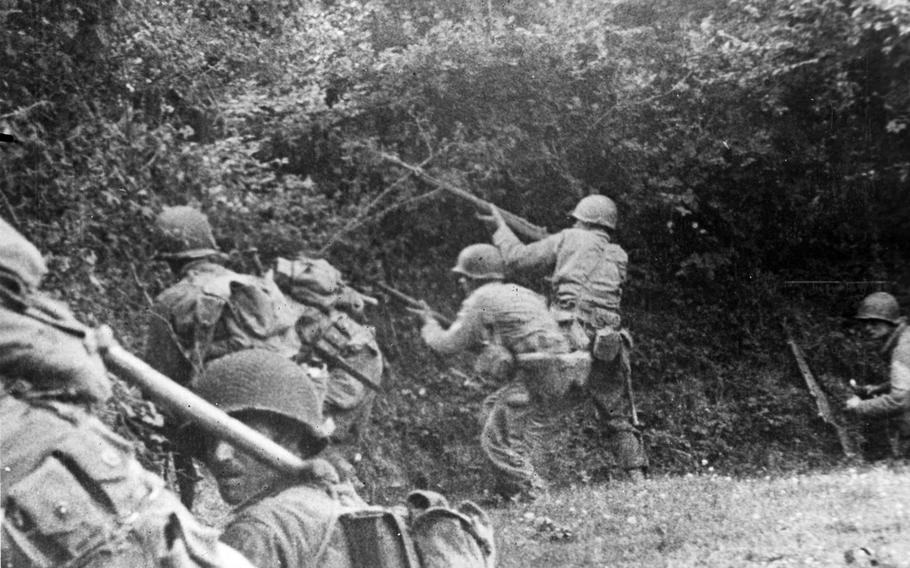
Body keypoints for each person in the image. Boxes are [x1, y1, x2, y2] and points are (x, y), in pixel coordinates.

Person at [0, 217, 253, 568]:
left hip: (197, 406)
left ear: (172, 260)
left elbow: (160, 373)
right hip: (262, 401)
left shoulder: (171, 300)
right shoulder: (248, 286)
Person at [144, 205, 304, 507]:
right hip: (285, 412)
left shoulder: (172, 300)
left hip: (222, 419)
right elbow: (292, 336)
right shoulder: (261, 287)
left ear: (169, 259)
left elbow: (157, 382)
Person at [480, 195, 648, 481]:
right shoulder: (618, 254)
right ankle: (638, 480)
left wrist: (499, 226)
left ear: (582, 219)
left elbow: (516, 258)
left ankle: (525, 484)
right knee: (615, 416)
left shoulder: (569, 238)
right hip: (606, 341)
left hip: (568, 336)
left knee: (526, 402)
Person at [411, 243, 587, 502]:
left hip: (537, 373)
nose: (461, 283)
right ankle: (509, 491)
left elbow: (447, 344)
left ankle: (536, 493)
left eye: (463, 277)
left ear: (471, 278)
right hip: (561, 368)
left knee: (495, 442)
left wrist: (428, 324)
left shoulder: (481, 299)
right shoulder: (519, 291)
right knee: (491, 411)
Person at [187, 348, 365, 567]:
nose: (219, 455)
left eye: (238, 438)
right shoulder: (333, 498)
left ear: (292, 438)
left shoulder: (257, 532)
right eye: (211, 439)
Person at [273, 254, 385, 484]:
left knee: (317, 435)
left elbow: (333, 398)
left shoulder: (356, 347)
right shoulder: (305, 311)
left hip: (351, 373)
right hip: (325, 372)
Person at [845, 291, 910, 459]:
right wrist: (881, 388)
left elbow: (899, 401)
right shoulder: (906, 338)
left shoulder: (903, 349)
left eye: (874, 322)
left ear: (891, 322)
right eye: (865, 322)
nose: (868, 327)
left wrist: (859, 407)